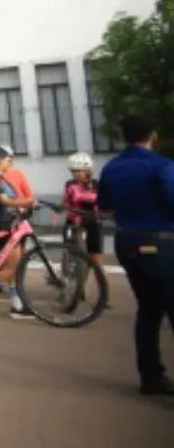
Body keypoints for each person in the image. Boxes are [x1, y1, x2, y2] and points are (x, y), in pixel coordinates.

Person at [97, 114, 174, 396]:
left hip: (126, 241)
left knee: (148, 310)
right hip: (162, 242)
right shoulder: (161, 166)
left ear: (122, 136)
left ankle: (151, 377)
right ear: (152, 135)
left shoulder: (112, 168)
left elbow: (104, 205)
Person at [0, 146, 34, 319]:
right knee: (14, 267)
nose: (10, 163)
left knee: (15, 265)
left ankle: (17, 304)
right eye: (8, 160)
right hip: (2, 224)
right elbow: (4, 201)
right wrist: (27, 202)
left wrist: (24, 205)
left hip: (8, 222)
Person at [63, 152, 104, 272]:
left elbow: (102, 202)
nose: (75, 174)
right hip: (74, 222)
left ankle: (101, 283)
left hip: (93, 221)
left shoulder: (96, 185)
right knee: (70, 253)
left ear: (87, 170)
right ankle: (67, 281)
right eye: (73, 171)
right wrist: (59, 209)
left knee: (96, 255)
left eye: (79, 170)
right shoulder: (69, 184)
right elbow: (65, 201)